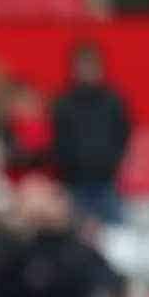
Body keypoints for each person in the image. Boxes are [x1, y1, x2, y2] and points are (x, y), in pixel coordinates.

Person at [52, 43, 131, 225]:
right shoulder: (63, 103)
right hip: (74, 185)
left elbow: (123, 134)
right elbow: (58, 141)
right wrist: (70, 166)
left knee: (117, 234)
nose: (87, 71)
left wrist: (111, 162)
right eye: (83, 65)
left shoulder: (114, 101)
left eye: (92, 65)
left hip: (107, 184)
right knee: (73, 234)